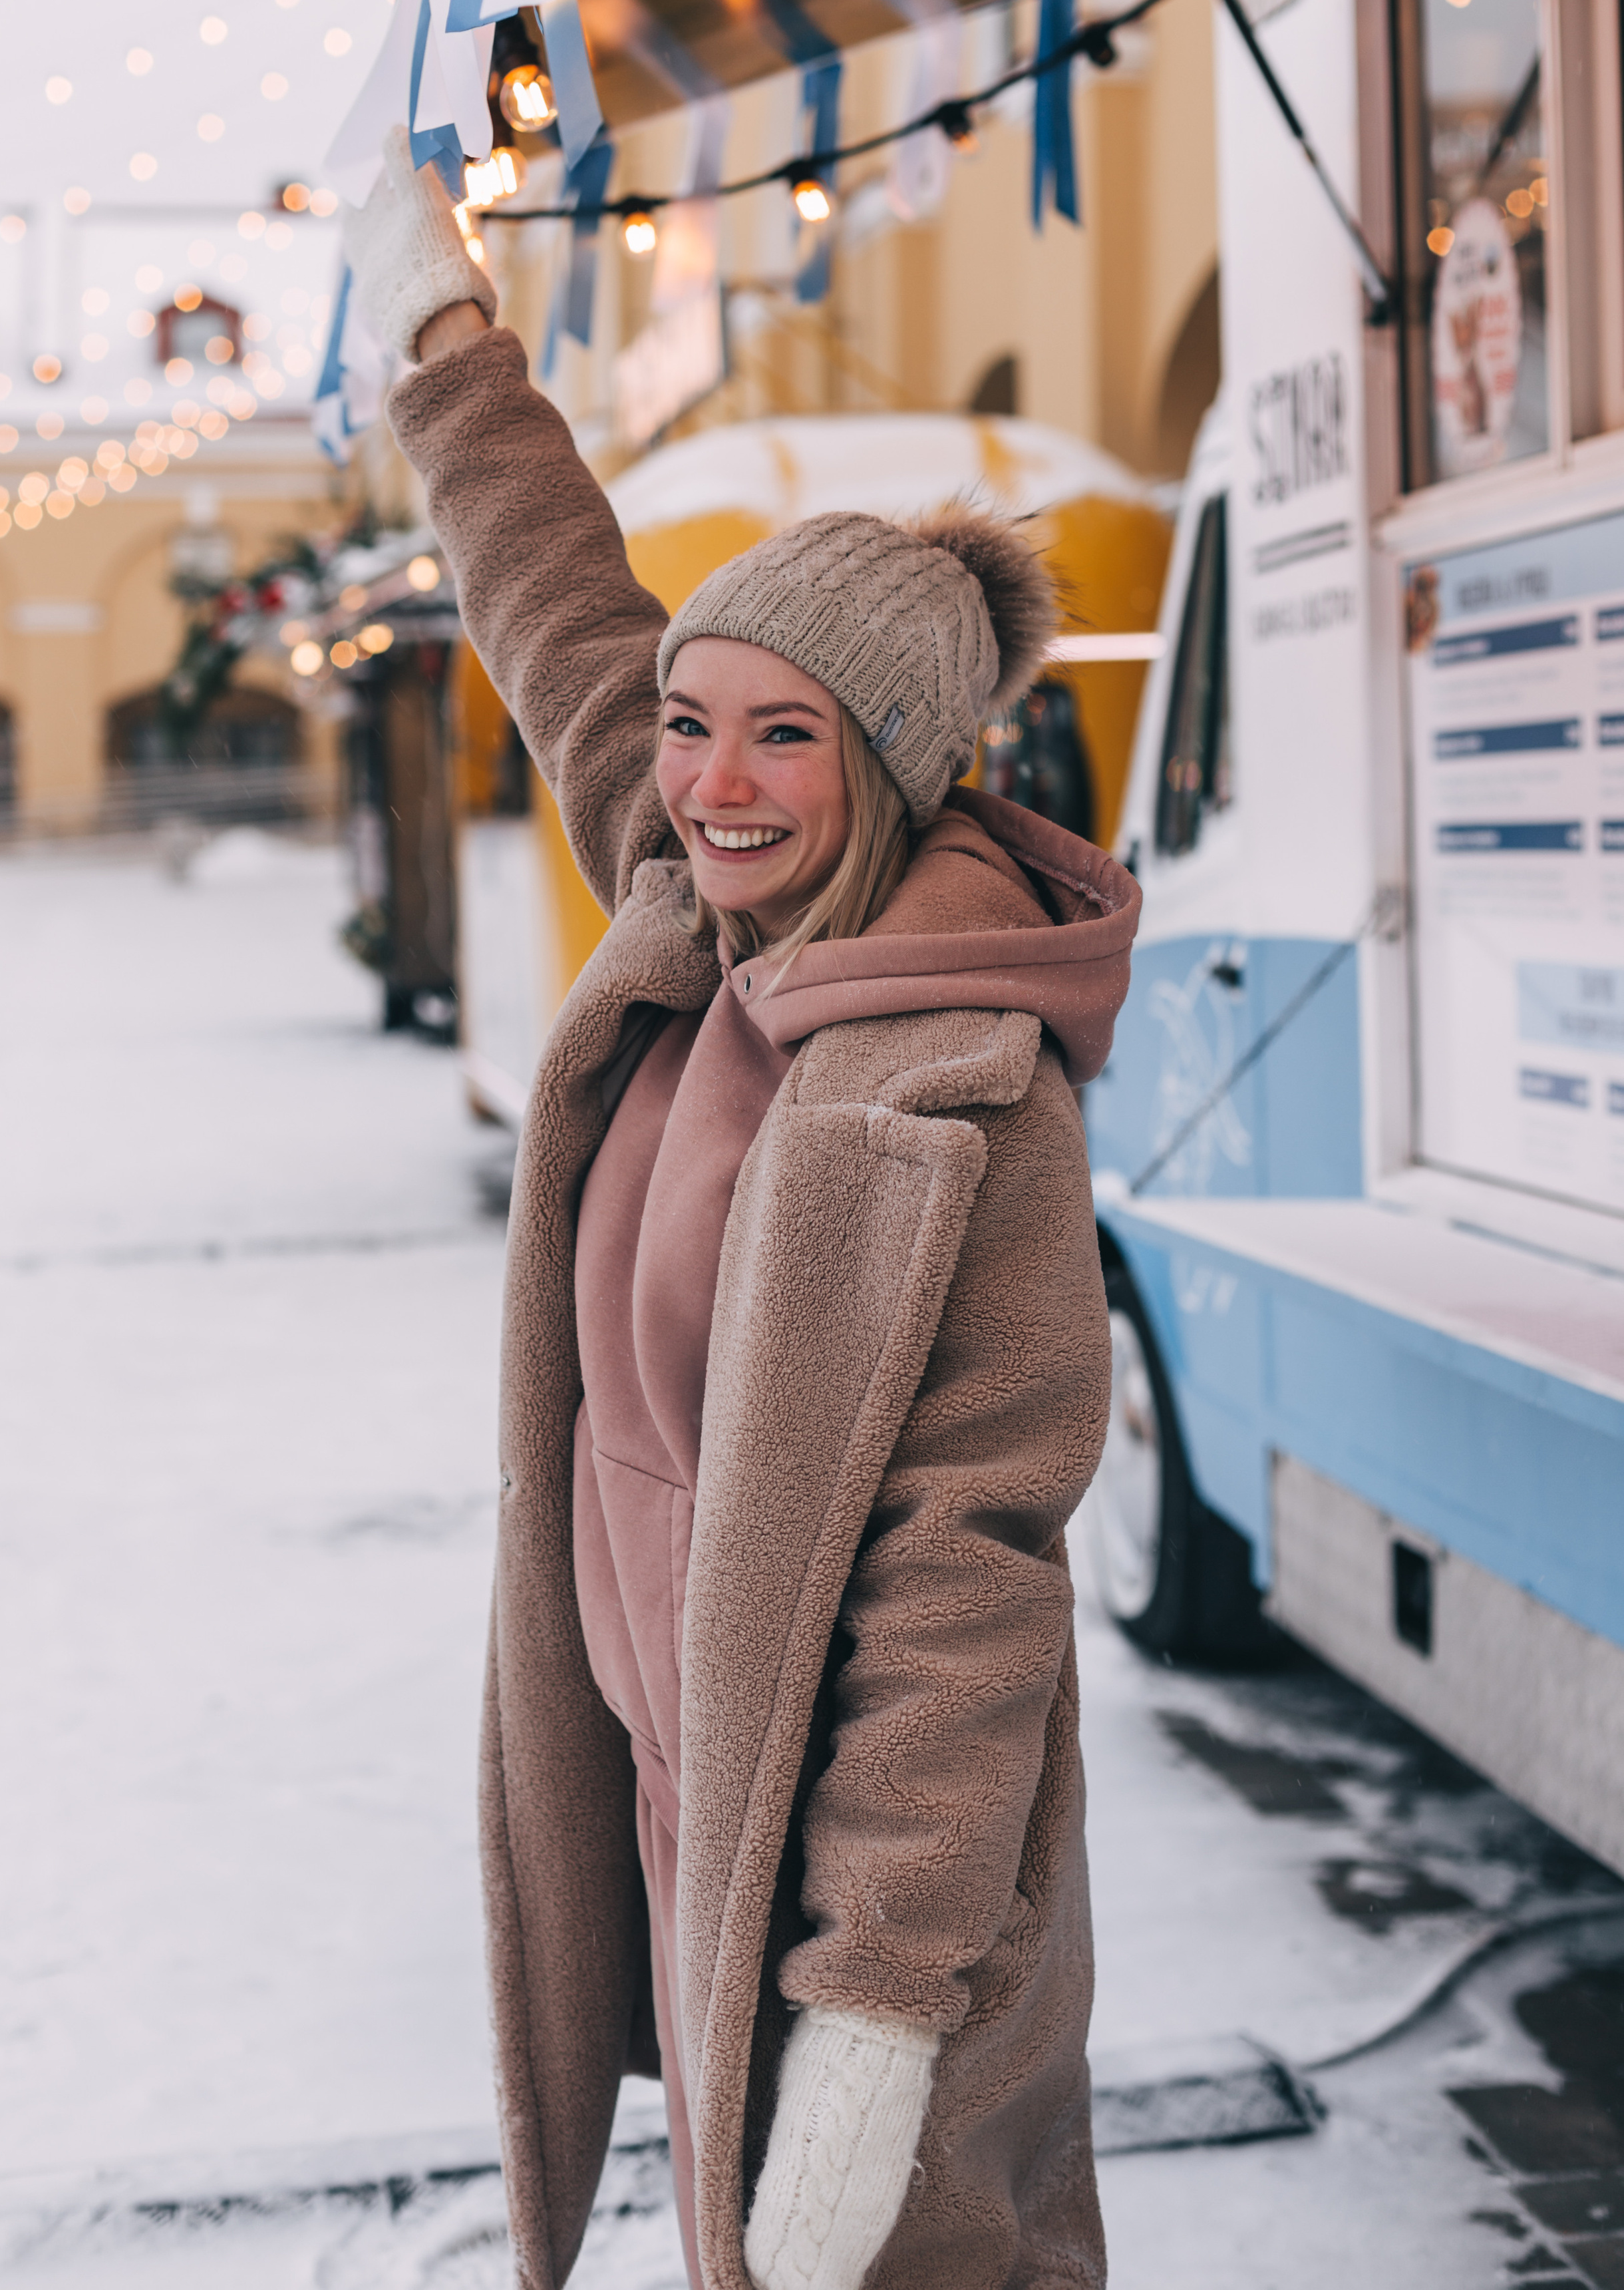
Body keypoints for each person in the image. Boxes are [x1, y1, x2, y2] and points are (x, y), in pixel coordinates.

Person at [345, 129, 1141, 2290]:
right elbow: (554, 598)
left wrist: (880, 2005)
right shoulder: (710, 922)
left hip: (867, 1857)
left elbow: (967, 1577)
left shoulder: (964, 1089)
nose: (706, 779)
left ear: (892, 766)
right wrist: (437, 327)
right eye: (692, 725)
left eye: (780, 737)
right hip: (677, 1783)